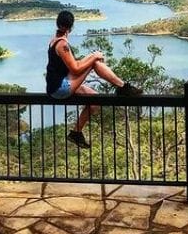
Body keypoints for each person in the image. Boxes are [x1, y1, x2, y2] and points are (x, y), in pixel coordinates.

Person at [46, 10, 142, 148]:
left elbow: (74, 64)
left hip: (57, 86)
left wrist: (92, 55)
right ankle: (123, 87)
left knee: (95, 100)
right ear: (71, 27)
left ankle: (76, 132)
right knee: (95, 63)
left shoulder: (56, 40)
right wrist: (94, 57)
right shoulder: (62, 45)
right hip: (60, 88)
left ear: (58, 24)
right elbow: (76, 69)